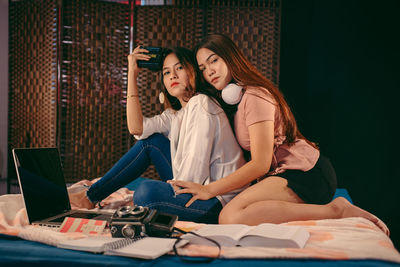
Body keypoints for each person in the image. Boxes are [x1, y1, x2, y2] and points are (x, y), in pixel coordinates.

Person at [169, 34, 389, 235]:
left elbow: (260, 164)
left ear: (230, 57)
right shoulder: (235, 99)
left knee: (229, 217)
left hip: (306, 174)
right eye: (203, 68)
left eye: (214, 60)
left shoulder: (254, 96)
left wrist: (209, 189)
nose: (210, 71)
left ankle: (336, 210)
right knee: (234, 212)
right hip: (280, 175)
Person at [69, 46, 245, 223]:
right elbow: (137, 128)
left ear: (193, 70)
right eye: (166, 72)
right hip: (196, 189)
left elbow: (193, 174)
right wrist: (132, 75)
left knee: (146, 192)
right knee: (150, 143)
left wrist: (166, 192)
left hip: (217, 201)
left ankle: (91, 197)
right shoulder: (175, 115)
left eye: (179, 68)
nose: (172, 76)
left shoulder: (202, 104)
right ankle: (91, 197)